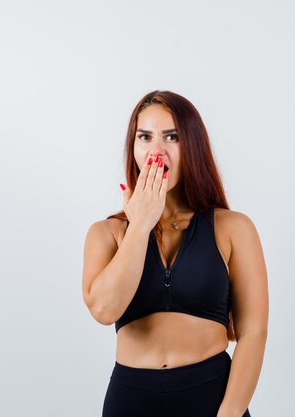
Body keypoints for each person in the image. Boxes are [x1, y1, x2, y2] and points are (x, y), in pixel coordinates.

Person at [82, 90, 268, 417]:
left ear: (192, 146)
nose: (157, 150)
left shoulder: (233, 228)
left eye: (172, 136)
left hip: (212, 396)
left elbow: (253, 331)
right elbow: (104, 310)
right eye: (145, 137)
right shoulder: (106, 233)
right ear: (133, 148)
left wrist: (230, 413)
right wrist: (140, 225)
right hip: (131, 400)